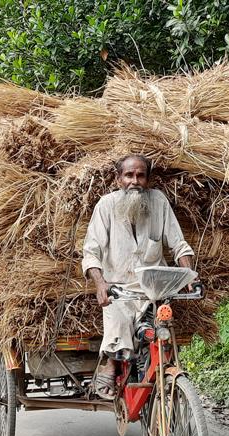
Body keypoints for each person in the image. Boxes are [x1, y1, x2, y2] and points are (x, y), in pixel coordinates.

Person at [81, 154, 196, 399]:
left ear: (148, 179)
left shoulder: (159, 202)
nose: (135, 181)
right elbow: (91, 251)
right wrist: (100, 284)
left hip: (153, 290)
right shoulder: (106, 205)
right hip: (119, 290)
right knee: (119, 323)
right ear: (119, 179)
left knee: (161, 331)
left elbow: (179, 245)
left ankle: (166, 378)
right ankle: (110, 364)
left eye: (140, 175)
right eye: (129, 175)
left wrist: (190, 275)